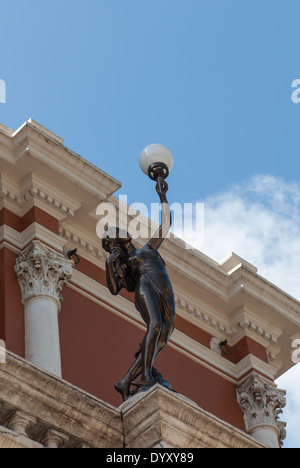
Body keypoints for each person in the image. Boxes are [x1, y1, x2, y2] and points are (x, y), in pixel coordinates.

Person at [102, 177, 176, 401]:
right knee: (154, 326)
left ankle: (125, 382)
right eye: (114, 231)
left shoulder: (147, 249)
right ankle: (145, 376)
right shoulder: (127, 262)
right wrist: (109, 264)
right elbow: (115, 290)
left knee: (164, 334)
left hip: (164, 289)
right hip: (146, 286)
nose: (119, 229)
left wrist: (162, 197)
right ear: (113, 242)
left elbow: (165, 226)